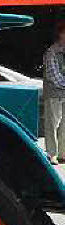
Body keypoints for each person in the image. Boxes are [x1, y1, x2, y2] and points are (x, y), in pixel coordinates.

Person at [42, 21, 65, 163]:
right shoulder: (52, 52)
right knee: (53, 124)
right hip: (54, 94)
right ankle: (52, 154)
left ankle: (63, 153)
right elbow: (54, 76)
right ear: (61, 34)